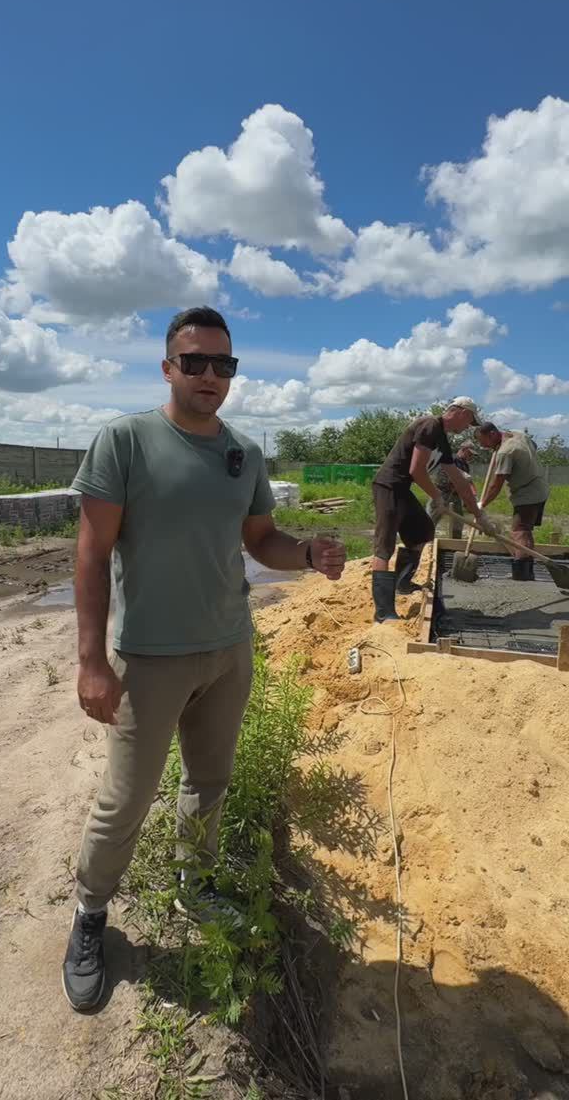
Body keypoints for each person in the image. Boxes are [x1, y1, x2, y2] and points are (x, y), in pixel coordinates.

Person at [62, 306, 346, 1011]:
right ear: (168, 367)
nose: (211, 375)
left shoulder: (244, 453)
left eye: (224, 364)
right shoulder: (124, 442)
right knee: (124, 799)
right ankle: (90, 915)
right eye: (195, 362)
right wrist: (91, 660)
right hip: (150, 660)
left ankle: (195, 881)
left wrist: (306, 553)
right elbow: (92, 555)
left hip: (228, 650)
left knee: (209, 781)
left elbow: (261, 541)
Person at [371, 398, 491, 623]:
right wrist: (437, 497)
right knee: (384, 546)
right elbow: (416, 470)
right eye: (469, 421)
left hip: (402, 489)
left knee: (423, 531)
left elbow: (459, 481)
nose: (468, 427)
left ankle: (402, 584)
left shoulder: (443, 441)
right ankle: (383, 613)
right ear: (461, 413)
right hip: (388, 485)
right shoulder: (430, 425)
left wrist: (479, 515)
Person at [475, 423, 549, 580]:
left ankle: (522, 573)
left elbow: (496, 484)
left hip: (528, 493)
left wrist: (481, 505)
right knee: (525, 530)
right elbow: (533, 446)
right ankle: (527, 571)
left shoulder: (505, 452)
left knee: (519, 531)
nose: (483, 446)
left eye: (484, 442)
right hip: (539, 487)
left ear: (492, 434)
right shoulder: (517, 435)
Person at [427, 441, 477, 539]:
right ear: (463, 449)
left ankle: (456, 543)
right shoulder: (452, 460)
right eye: (469, 453)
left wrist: (471, 497)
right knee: (431, 519)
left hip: (455, 495)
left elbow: (467, 483)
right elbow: (452, 475)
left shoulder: (465, 465)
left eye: (472, 454)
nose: (471, 456)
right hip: (441, 493)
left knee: (458, 522)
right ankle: (425, 541)